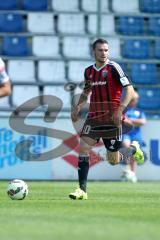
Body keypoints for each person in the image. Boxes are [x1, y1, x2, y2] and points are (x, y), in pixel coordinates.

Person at [69, 38, 144, 200]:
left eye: (106, 50)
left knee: (113, 160)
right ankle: (82, 190)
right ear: (93, 52)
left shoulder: (114, 68)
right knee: (83, 148)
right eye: (100, 50)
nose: (104, 53)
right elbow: (86, 91)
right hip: (94, 117)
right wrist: (77, 107)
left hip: (111, 119)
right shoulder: (88, 71)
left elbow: (130, 91)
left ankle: (133, 149)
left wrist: (120, 110)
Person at [121, 91, 146, 183]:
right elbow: (122, 120)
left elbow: (143, 122)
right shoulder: (124, 110)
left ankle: (133, 174)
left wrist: (129, 120)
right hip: (126, 134)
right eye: (132, 99)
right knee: (126, 146)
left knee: (134, 154)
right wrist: (135, 122)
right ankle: (127, 168)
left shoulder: (139, 111)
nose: (134, 101)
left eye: (135, 100)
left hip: (136, 135)